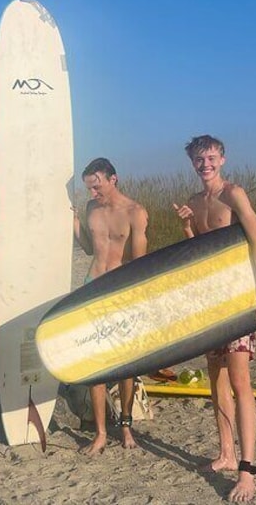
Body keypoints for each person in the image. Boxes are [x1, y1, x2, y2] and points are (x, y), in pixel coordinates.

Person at [173, 135, 256, 503]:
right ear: (192, 162)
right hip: (211, 302)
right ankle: (226, 453)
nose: (205, 164)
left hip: (238, 300)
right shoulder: (193, 201)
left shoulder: (234, 194)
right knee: (215, 379)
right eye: (199, 159)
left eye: (211, 157)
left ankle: (246, 471)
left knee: (239, 381)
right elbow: (199, 250)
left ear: (222, 158)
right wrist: (187, 228)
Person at [73, 158, 149, 455]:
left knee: (124, 363)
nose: (93, 193)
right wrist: (75, 224)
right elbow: (90, 248)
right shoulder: (92, 208)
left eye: (97, 186)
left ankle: (126, 426)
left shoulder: (135, 212)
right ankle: (102, 433)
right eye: (89, 188)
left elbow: (138, 263)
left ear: (113, 179)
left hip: (119, 291)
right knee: (96, 362)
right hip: (91, 285)